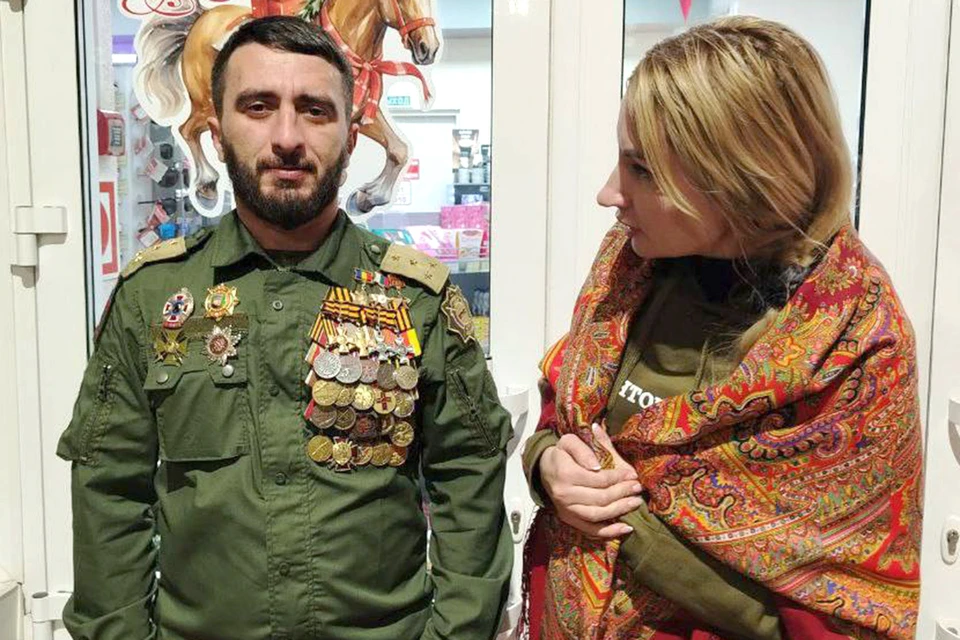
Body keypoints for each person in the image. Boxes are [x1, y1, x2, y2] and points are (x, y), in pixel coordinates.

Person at [57, 16, 512, 640]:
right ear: (217, 132)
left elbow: (470, 474)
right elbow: (107, 487)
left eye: (315, 111)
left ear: (352, 136)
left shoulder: (418, 299)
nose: (288, 137)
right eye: (258, 107)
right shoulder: (154, 298)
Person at [521, 16, 922, 640]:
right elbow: (565, 412)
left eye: (641, 169)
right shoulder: (630, 266)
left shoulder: (855, 340)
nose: (608, 193)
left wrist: (629, 529)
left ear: (738, 175)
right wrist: (549, 467)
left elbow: (842, 609)